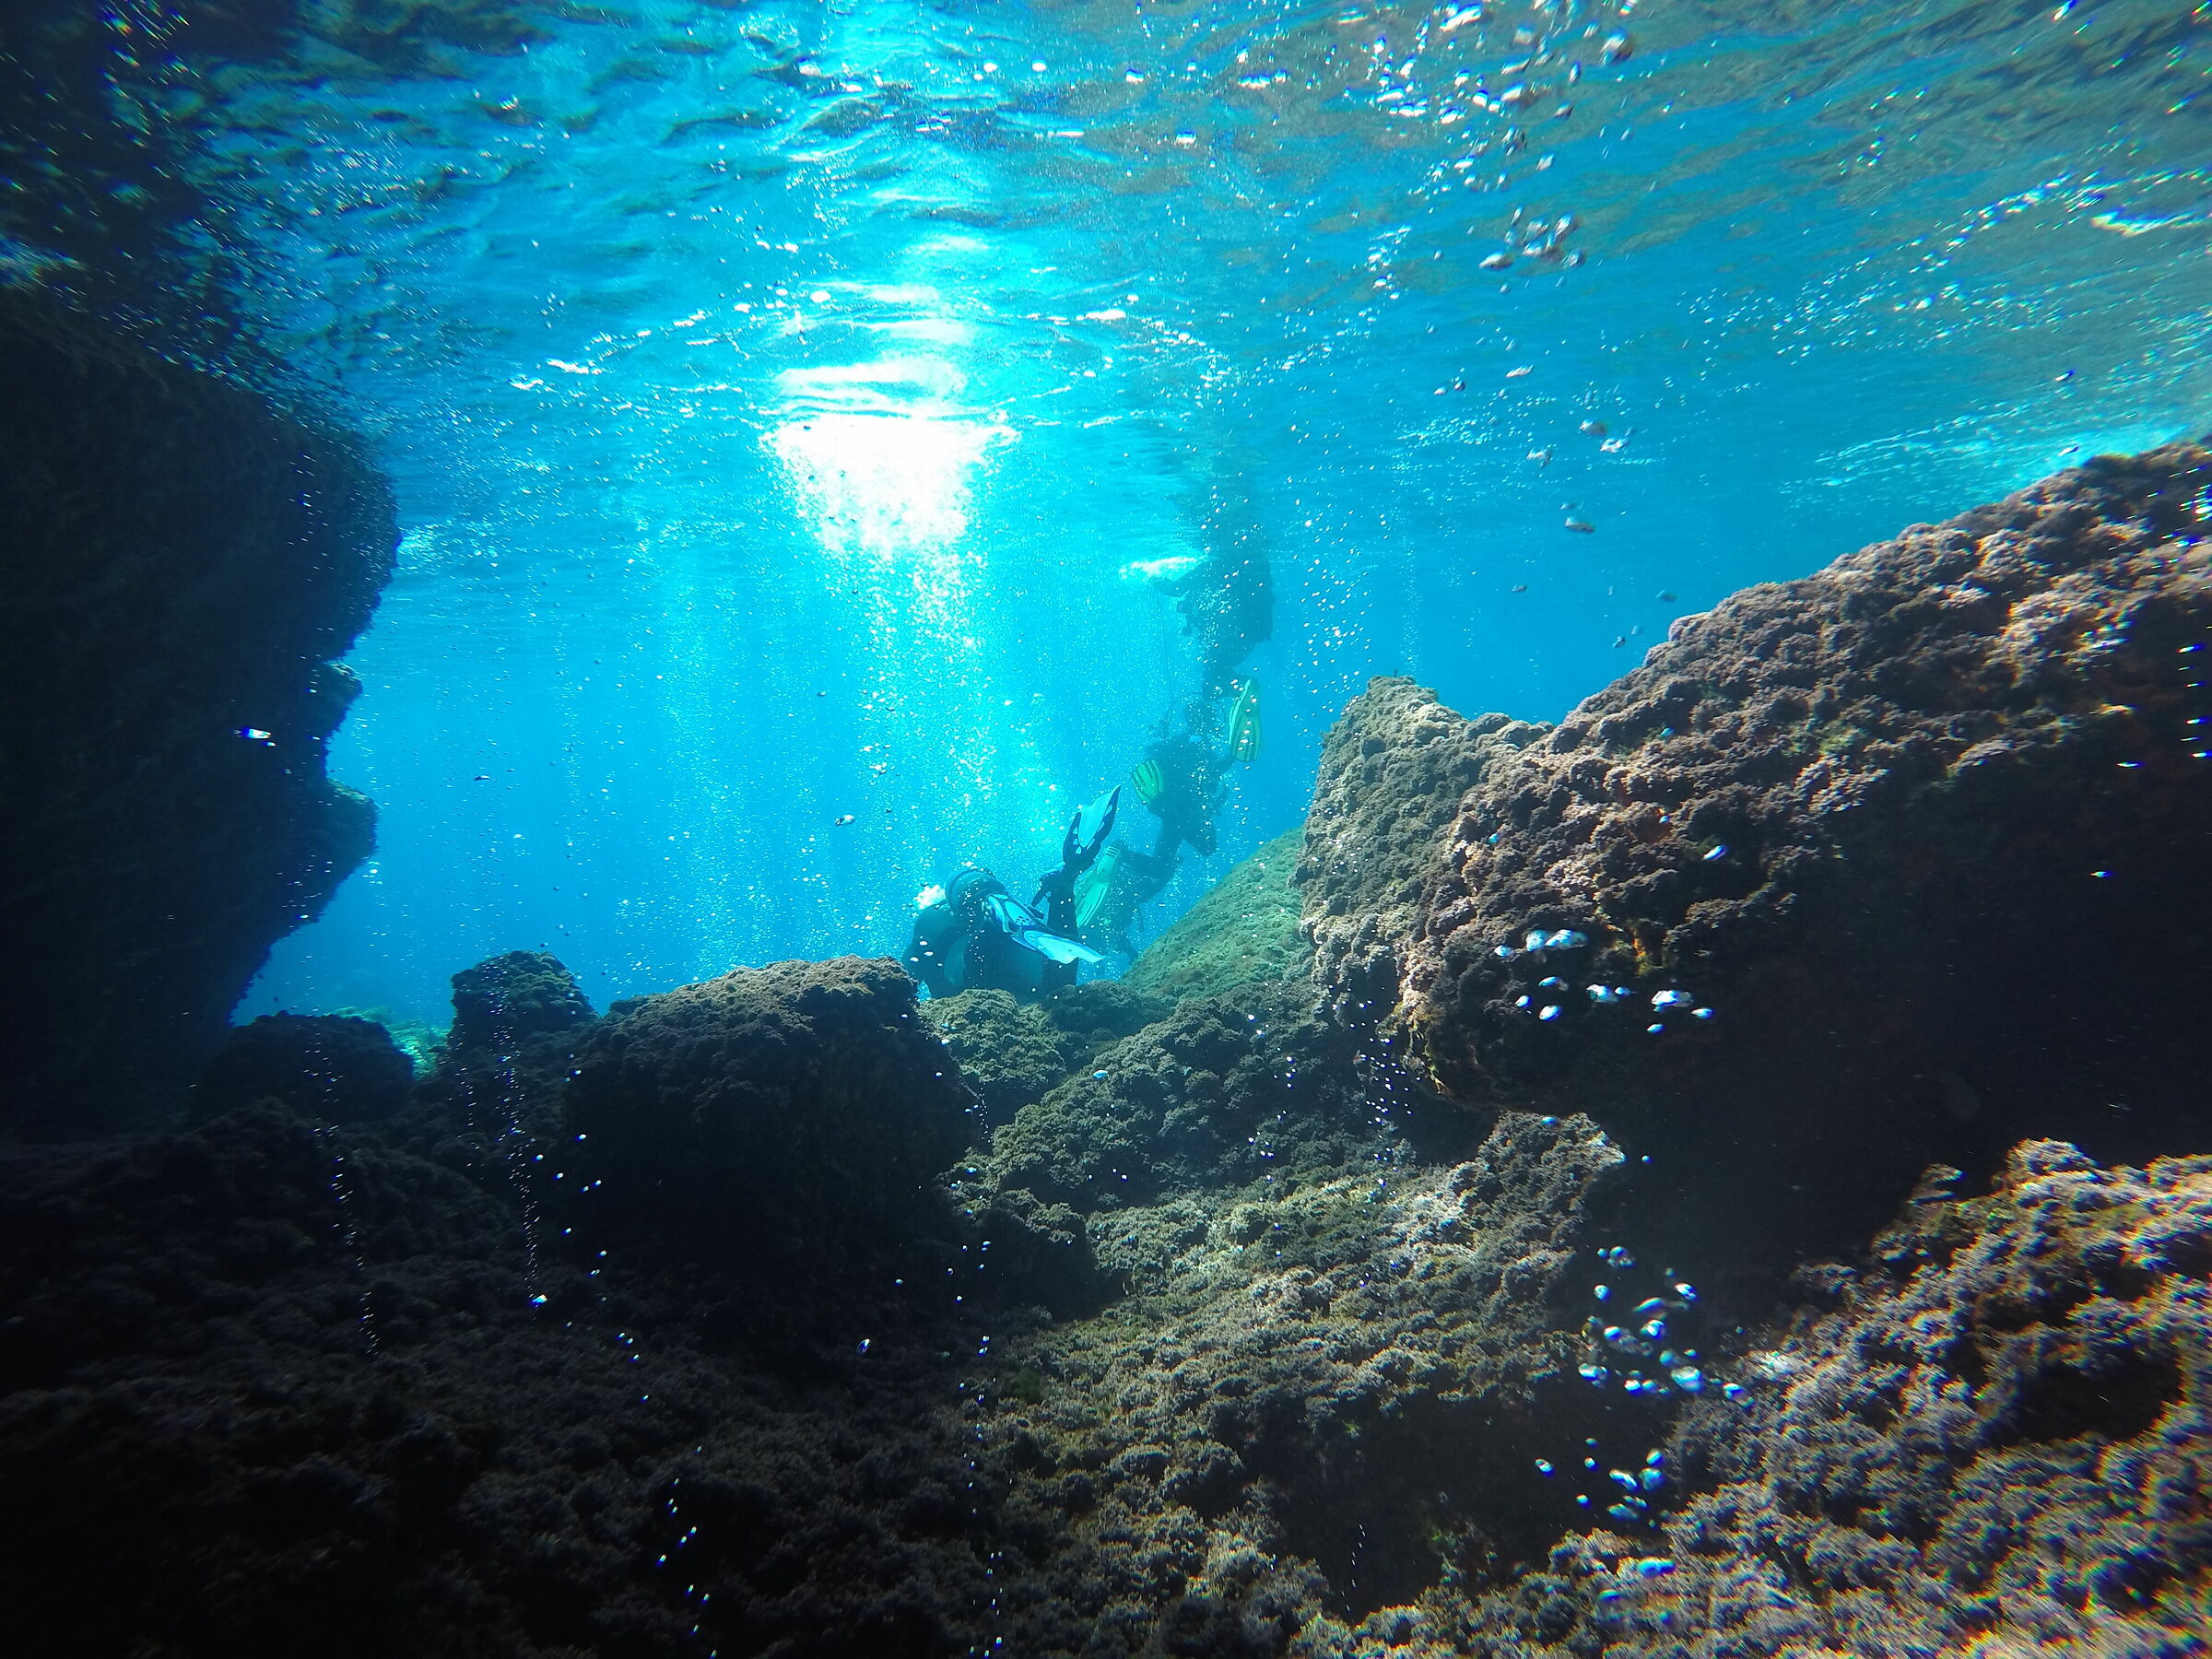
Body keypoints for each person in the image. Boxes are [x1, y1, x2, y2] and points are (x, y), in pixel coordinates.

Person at [903, 787, 1121, 1000]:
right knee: (1059, 987)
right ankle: (1060, 891)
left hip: (975, 984)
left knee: (978, 991)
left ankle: (994, 920)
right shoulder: (1013, 917)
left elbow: (903, 984)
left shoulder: (932, 930)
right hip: (1020, 976)